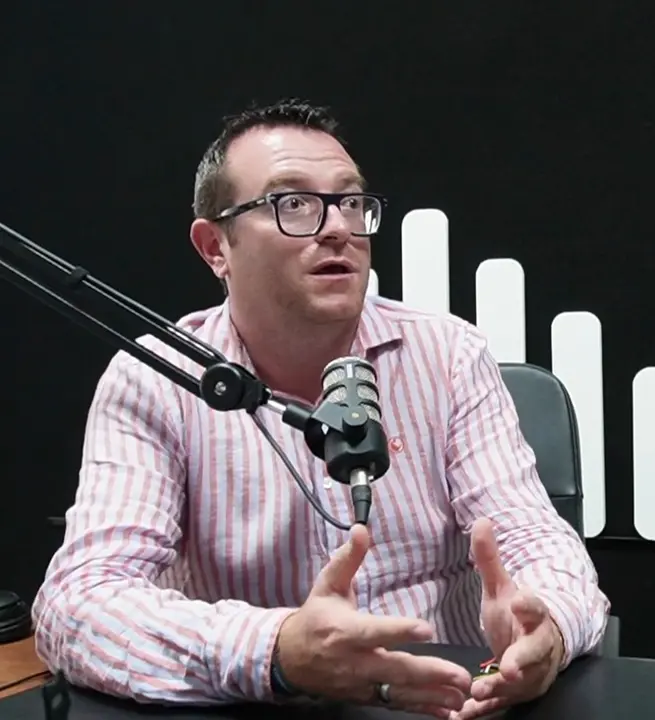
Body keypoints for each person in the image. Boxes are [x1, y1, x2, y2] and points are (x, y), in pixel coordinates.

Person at [31, 99, 610, 718]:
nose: (337, 228)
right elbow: (78, 604)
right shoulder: (156, 380)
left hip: (444, 704)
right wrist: (276, 651)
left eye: (351, 203)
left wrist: (545, 625)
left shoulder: (448, 354)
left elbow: (536, 542)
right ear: (215, 247)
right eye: (293, 205)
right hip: (254, 708)